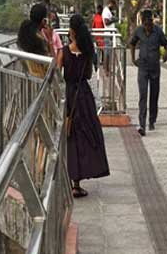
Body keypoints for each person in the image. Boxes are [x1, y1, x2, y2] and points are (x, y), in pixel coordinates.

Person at [56, 15, 110, 198]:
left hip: (70, 96)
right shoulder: (88, 51)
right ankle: (79, 180)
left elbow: (56, 76)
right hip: (84, 97)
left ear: (71, 31)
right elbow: (87, 74)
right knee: (87, 135)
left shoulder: (63, 51)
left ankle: (73, 180)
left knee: (71, 136)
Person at [129, 10, 167, 136]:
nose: (148, 26)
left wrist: (165, 54)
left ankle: (152, 120)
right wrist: (133, 58)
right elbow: (132, 43)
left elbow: (166, 44)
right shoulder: (138, 31)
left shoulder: (158, 31)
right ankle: (142, 124)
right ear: (142, 22)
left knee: (154, 94)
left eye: (150, 24)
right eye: (146, 24)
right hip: (143, 67)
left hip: (154, 68)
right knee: (143, 95)